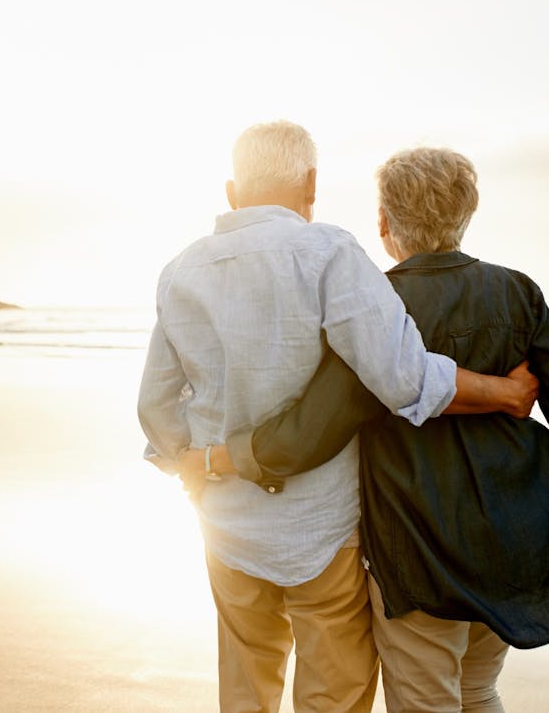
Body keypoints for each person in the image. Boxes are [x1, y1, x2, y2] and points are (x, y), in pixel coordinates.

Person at [137, 123, 536, 713]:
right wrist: (504, 393)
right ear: (312, 184)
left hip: (225, 524)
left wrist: (192, 465)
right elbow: (401, 375)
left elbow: (155, 404)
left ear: (230, 191)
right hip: (322, 530)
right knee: (336, 694)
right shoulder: (329, 253)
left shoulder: (181, 271)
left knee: (246, 690)